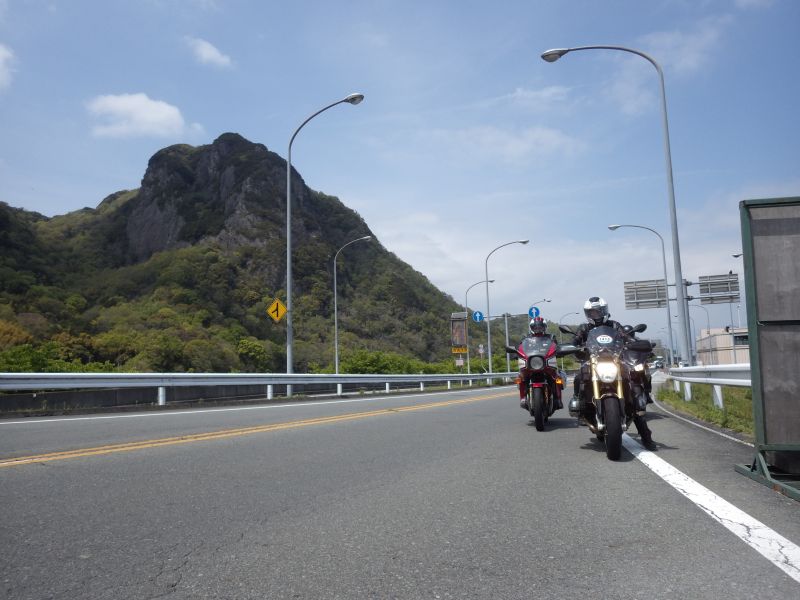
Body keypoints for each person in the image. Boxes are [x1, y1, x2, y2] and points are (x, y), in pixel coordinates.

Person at [570, 296, 657, 450]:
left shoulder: (615, 325)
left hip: (615, 360)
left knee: (633, 390)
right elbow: (575, 341)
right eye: (592, 312)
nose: (595, 315)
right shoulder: (584, 328)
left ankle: (646, 437)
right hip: (593, 362)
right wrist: (572, 347)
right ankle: (579, 404)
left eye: (598, 311)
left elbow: (626, 337)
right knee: (578, 378)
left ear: (604, 311)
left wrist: (635, 343)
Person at [517, 317, 563, 410]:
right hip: (531, 361)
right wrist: (517, 353)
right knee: (521, 377)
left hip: (546, 361)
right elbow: (521, 348)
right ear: (531, 328)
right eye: (535, 327)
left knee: (556, 377)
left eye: (540, 327)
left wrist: (559, 351)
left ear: (544, 327)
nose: (538, 329)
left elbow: (556, 347)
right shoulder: (526, 338)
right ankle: (523, 398)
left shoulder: (551, 337)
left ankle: (558, 398)